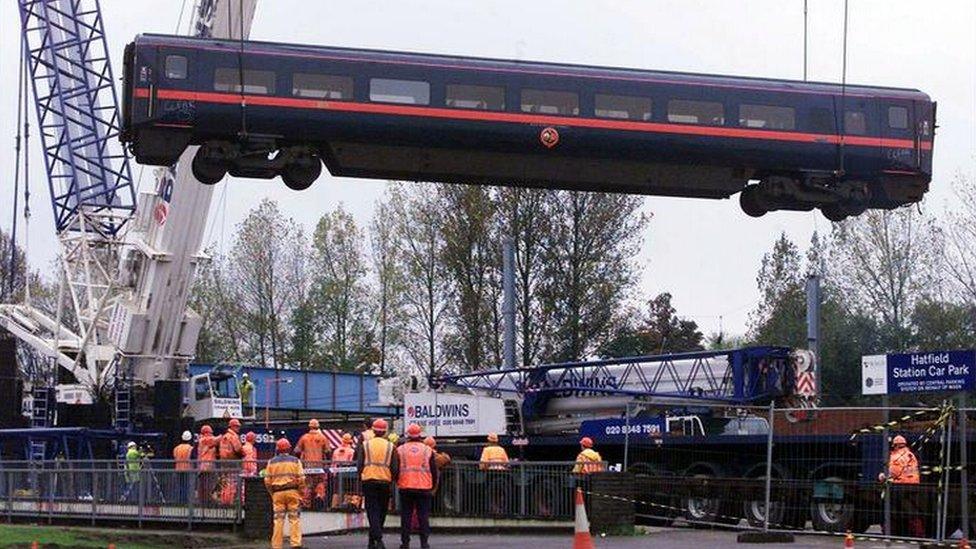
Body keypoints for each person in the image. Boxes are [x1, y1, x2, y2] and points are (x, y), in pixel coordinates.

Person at [357, 418, 398, 549]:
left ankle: (376, 539)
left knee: (372, 511)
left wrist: (361, 478)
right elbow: (395, 467)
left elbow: (359, 465)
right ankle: (375, 539)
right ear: (385, 432)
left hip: (369, 480)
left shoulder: (366, 445)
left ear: (373, 430)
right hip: (385, 481)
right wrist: (393, 479)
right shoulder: (391, 446)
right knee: (382, 511)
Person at [397, 424, 437, 549]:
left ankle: (405, 543)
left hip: (405, 486)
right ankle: (424, 543)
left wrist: (396, 481)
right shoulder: (427, 450)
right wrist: (433, 485)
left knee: (406, 516)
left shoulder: (400, 449)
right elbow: (434, 471)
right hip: (424, 487)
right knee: (423, 516)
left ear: (408, 435)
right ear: (420, 435)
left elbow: (396, 468)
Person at [264, 438, 306, 549]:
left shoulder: (271, 462)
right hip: (292, 491)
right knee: (294, 518)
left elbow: (267, 481)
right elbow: (301, 479)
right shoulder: (295, 461)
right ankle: (296, 543)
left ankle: (276, 545)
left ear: (277, 449)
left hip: (277, 493)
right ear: (289, 448)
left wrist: (272, 493)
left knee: (278, 520)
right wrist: (301, 492)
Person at [879, 434, 924, 538]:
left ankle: (889, 531)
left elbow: (894, 473)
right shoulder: (910, 455)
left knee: (890, 509)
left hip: (900, 486)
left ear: (895, 445)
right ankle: (918, 532)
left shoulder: (896, 456)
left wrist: (882, 476)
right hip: (914, 485)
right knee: (911, 510)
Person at [295, 419, 332, 509]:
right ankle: (319, 499)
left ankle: (306, 504)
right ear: (318, 426)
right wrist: (328, 463)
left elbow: (297, 451)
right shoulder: (323, 438)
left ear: (309, 426)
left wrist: (301, 460)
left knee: (307, 486)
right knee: (320, 484)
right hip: (320, 467)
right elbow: (328, 451)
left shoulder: (304, 437)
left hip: (307, 466)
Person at [219, 418, 245, 504]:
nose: (238, 428)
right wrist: (243, 454)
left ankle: (224, 501)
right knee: (232, 484)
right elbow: (238, 449)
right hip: (233, 463)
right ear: (232, 427)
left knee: (225, 483)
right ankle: (228, 502)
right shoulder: (233, 436)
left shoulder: (224, 437)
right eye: (237, 427)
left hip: (224, 463)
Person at [197, 424, 218, 502]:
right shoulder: (204, 440)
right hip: (207, 467)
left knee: (204, 486)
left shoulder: (202, 440)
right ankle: (208, 502)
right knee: (209, 486)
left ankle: (203, 502)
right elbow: (216, 440)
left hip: (203, 467)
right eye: (210, 433)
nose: (211, 434)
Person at [173, 431, 195, 503]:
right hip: (187, 470)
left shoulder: (176, 448)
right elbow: (193, 458)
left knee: (179, 486)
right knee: (186, 487)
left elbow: (175, 457)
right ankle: (185, 502)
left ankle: (179, 501)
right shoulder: (191, 448)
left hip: (178, 469)